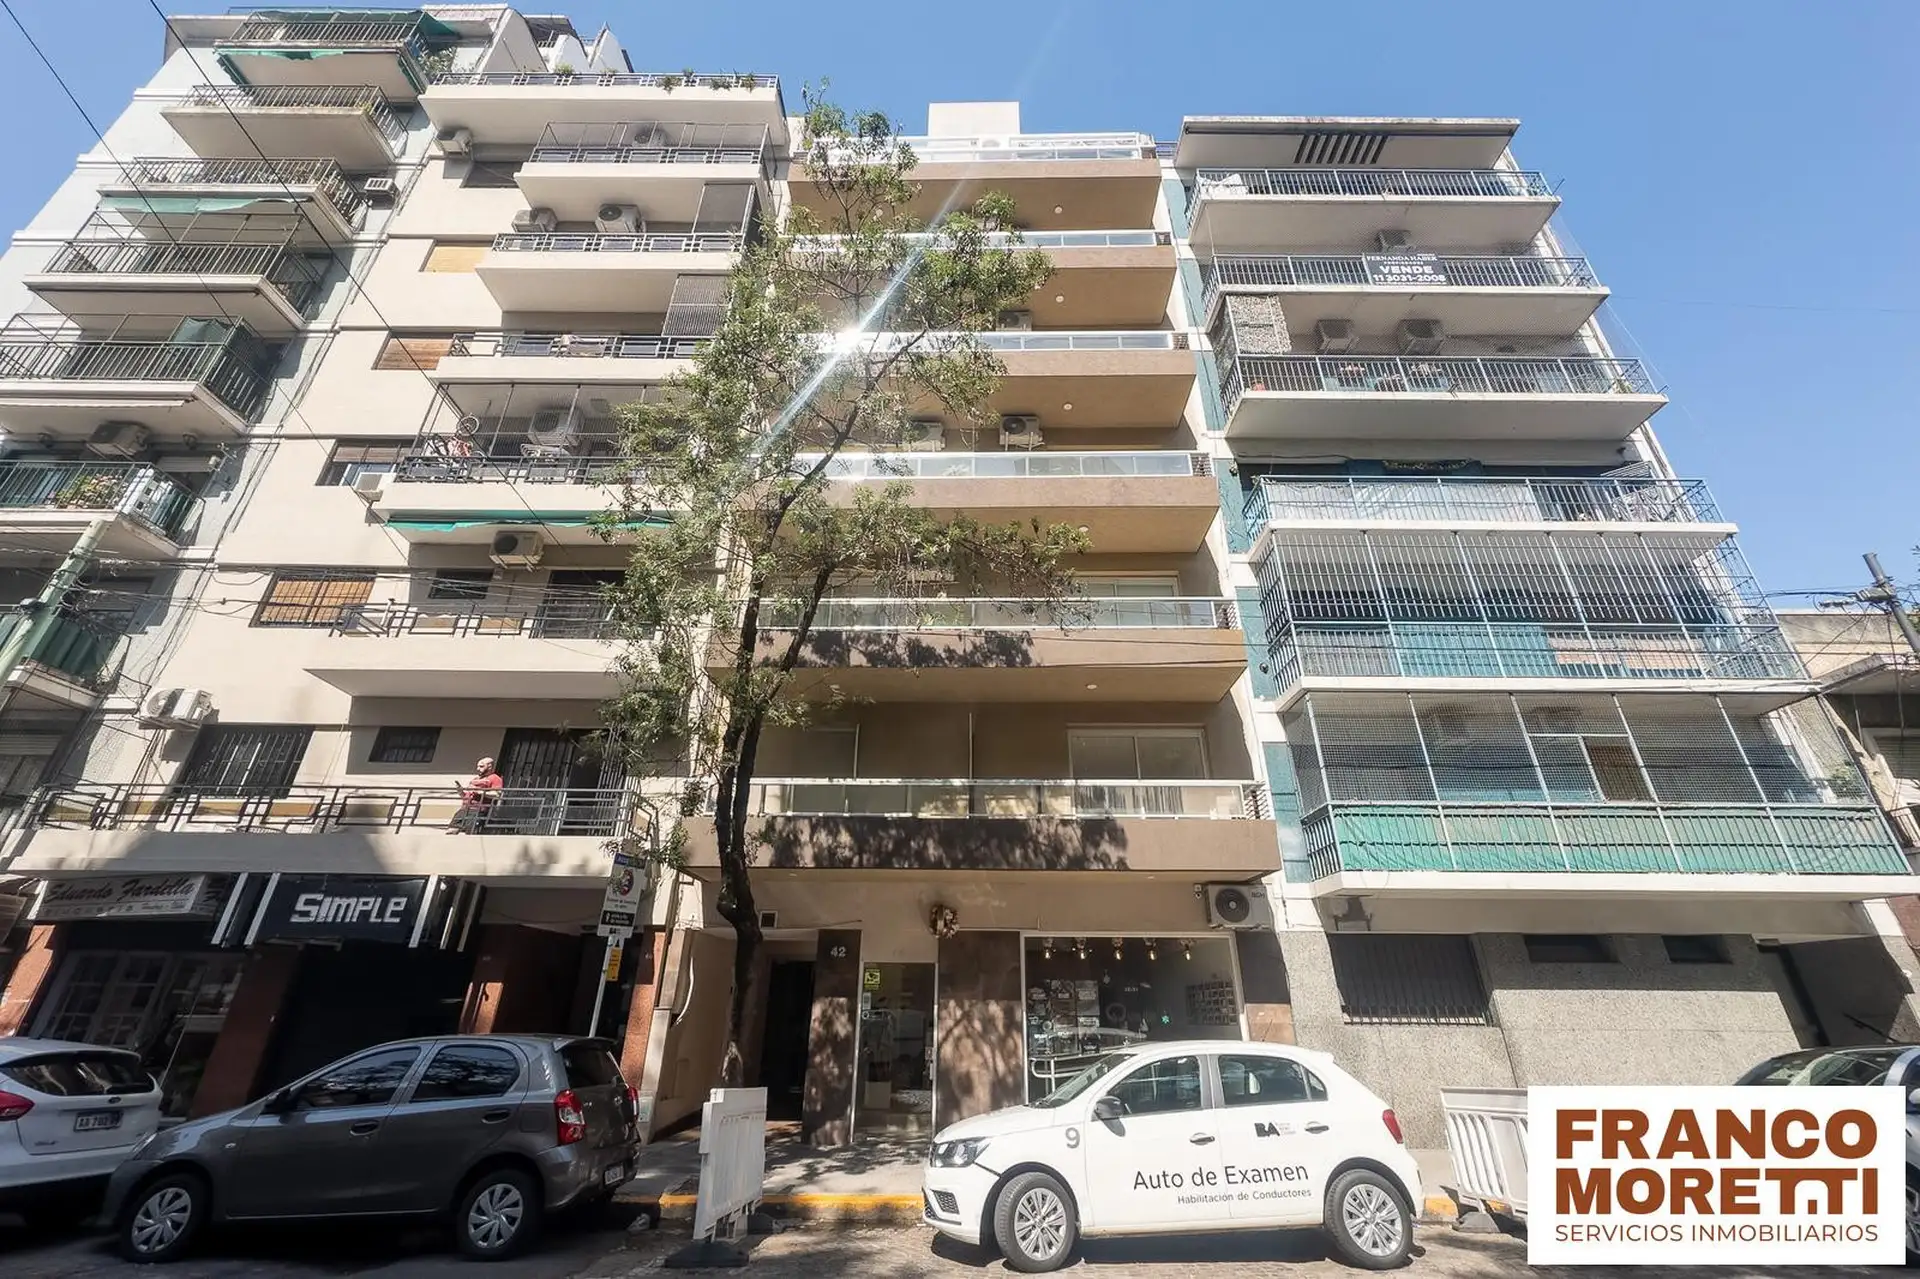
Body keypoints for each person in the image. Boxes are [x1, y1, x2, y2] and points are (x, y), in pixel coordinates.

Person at [451, 756, 503, 833]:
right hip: (464, 808)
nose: (478, 769)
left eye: (481, 766)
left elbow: (496, 794)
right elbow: (465, 796)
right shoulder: (476, 779)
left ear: (489, 766)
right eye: (478, 766)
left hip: (478, 810)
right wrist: (460, 791)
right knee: (451, 830)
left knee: (470, 832)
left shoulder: (495, 778)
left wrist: (478, 791)